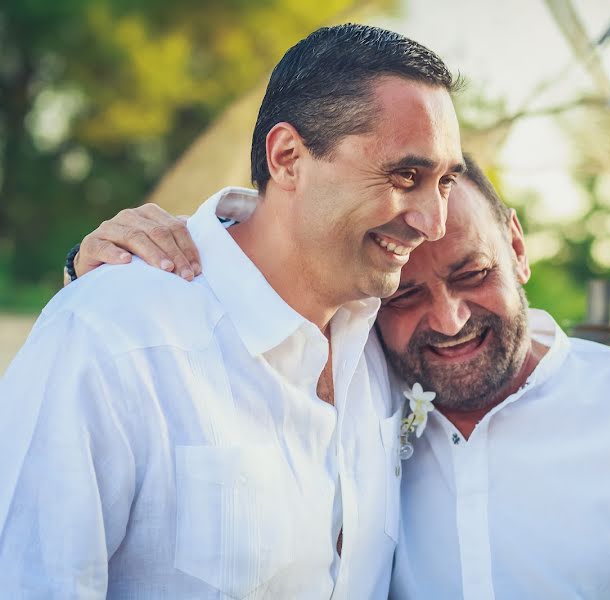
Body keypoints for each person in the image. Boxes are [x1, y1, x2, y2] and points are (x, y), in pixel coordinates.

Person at [71, 158, 610, 598]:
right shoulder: (364, 399)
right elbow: (266, 271)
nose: (446, 320)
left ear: (516, 245)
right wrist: (92, 263)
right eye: (404, 296)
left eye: (473, 275)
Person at [0, 24, 465, 598]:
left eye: (444, 182)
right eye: (405, 177)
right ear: (288, 157)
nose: (434, 221)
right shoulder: (108, 336)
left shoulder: (388, 341)